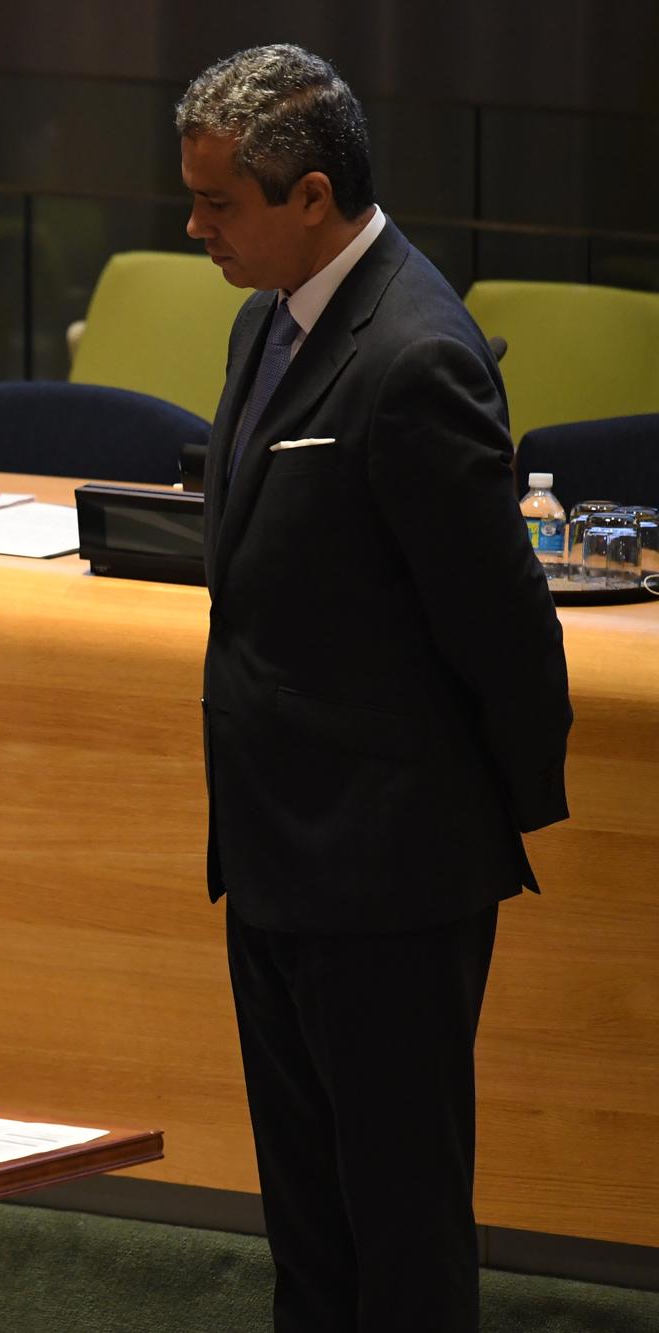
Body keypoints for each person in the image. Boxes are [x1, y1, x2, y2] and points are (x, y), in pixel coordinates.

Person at [179, 46, 571, 1330]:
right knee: (307, 1226)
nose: (194, 230)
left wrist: (474, 819)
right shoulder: (264, 321)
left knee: (398, 1229)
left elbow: (501, 628)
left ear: (308, 198)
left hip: (389, 876)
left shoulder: (413, 356)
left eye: (216, 203)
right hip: (274, 854)